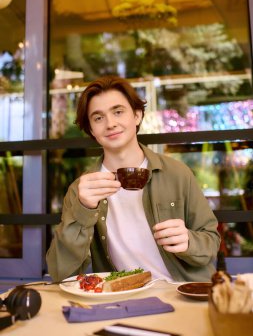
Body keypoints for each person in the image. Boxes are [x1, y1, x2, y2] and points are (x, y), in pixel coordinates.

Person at [46, 75, 220, 282]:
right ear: (91, 129)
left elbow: (211, 241)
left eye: (118, 112)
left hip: (181, 291)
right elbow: (60, 272)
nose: (110, 124)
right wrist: (84, 208)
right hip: (122, 299)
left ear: (137, 116)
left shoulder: (177, 173)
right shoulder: (82, 190)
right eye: (98, 118)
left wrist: (188, 241)